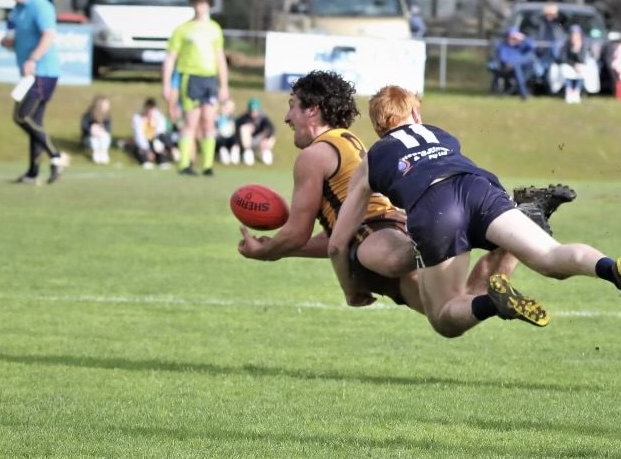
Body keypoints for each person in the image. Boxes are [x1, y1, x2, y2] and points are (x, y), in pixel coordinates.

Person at [328, 85, 621, 339]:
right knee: (551, 257)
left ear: (378, 128)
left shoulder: (372, 158)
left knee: (445, 317)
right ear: (416, 114)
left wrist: (349, 289)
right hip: (479, 187)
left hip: (435, 208)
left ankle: (494, 302)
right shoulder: (442, 135)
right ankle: (611, 268)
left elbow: (337, 244)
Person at [237, 70, 572, 321]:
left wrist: (263, 253)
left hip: (376, 239)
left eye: (293, 106)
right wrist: (279, 249)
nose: (286, 117)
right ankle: (520, 230)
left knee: (444, 301)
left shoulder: (315, 155)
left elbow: (305, 234)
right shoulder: (352, 143)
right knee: (452, 306)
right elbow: (335, 236)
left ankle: (512, 224)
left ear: (313, 110)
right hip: (390, 230)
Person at [0, 0, 66, 185]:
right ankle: (32, 172)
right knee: (34, 121)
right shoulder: (17, 10)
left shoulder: (40, 6)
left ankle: (56, 155)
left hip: (42, 71)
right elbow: (16, 36)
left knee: (22, 116)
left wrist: (33, 59)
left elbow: (48, 35)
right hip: (30, 73)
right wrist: (10, 43)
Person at [162, 0, 229, 176]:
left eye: (204, 4)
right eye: (198, 3)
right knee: (190, 121)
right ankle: (185, 163)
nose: (201, 7)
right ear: (193, 5)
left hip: (209, 79)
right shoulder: (183, 30)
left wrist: (224, 85)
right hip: (190, 78)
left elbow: (220, 57)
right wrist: (166, 84)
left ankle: (207, 165)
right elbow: (170, 58)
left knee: (209, 121)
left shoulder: (214, 29)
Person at [491, 27, 536, 100]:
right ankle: (524, 94)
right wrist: (513, 63)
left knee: (531, 60)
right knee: (516, 68)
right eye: (511, 37)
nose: (513, 39)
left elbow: (532, 46)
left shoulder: (519, 46)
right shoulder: (503, 46)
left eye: (515, 38)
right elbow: (503, 60)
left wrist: (523, 38)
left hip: (522, 70)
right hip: (507, 70)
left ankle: (522, 91)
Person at [131, 97, 176, 169]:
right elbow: (139, 137)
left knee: (159, 144)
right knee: (139, 149)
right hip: (144, 142)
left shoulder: (159, 117)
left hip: (154, 140)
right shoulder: (138, 118)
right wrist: (147, 150)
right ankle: (145, 160)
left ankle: (166, 156)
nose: (150, 112)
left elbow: (161, 132)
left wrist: (160, 147)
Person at [234, 98, 277, 166]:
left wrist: (264, 136)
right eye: (252, 110)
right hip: (247, 142)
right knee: (244, 128)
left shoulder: (263, 118)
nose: (253, 112)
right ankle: (247, 152)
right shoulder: (243, 118)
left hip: (260, 142)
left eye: (255, 110)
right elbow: (237, 131)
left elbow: (272, 128)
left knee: (271, 136)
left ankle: (265, 152)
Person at [559, 24, 591, 104]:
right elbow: (564, 58)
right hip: (569, 65)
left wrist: (577, 50)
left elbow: (582, 59)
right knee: (566, 70)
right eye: (574, 34)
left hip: (579, 66)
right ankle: (569, 92)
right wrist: (573, 64)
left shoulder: (583, 44)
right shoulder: (566, 45)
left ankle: (576, 92)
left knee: (582, 71)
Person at [80, 95, 112, 164]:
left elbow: (108, 128)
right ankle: (96, 153)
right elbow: (84, 127)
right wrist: (92, 130)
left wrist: (101, 130)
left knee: (105, 137)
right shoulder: (88, 115)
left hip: (101, 137)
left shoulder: (107, 117)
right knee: (94, 138)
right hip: (89, 138)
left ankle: (103, 153)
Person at [215, 98, 239, 165]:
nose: (228, 109)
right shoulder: (217, 117)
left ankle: (234, 153)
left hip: (231, 140)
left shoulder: (235, 118)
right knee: (220, 138)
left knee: (235, 139)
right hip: (219, 141)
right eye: (227, 107)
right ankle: (223, 153)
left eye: (230, 108)